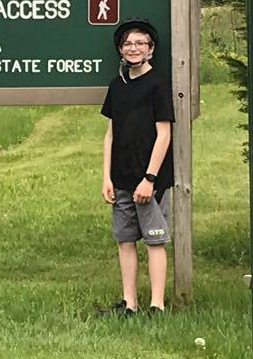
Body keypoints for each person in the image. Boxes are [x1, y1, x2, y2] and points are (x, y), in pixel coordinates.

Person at [99, 17, 174, 316]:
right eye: (128, 43)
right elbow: (110, 133)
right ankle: (129, 303)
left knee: (154, 240)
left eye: (140, 43)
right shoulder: (117, 86)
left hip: (150, 180)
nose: (134, 48)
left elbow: (164, 134)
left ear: (151, 49)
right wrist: (106, 176)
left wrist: (150, 178)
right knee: (125, 239)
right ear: (120, 49)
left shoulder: (157, 85)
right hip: (121, 178)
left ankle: (157, 305)